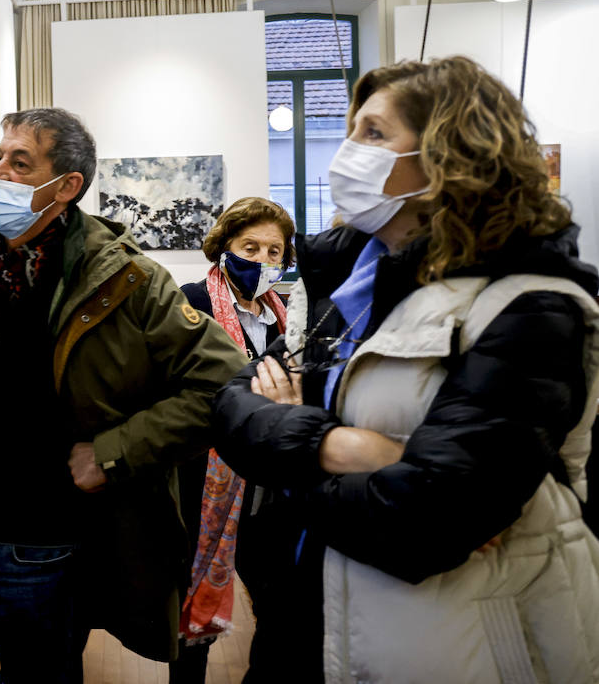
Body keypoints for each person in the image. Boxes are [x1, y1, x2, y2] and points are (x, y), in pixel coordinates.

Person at [212, 56, 599, 682]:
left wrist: (297, 445)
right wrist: (351, 448)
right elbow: (233, 404)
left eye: (372, 133)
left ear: (451, 153)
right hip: (316, 615)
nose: (347, 153)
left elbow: (426, 522)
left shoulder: (533, 305)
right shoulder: (363, 281)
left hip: (457, 644)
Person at [0, 107, 248, 683]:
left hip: (45, 554)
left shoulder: (125, 280)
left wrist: (112, 452)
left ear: (67, 186)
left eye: (19, 162)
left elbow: (222, 379)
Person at [171, 198, 295, 683]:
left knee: (279, 604)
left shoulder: (285, 318)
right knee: (193, 614)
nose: (262, 260)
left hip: (269, 487)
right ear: (224, 247)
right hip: (204, 484)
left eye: (274, 251)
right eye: (250, 247)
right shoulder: (190, 302)